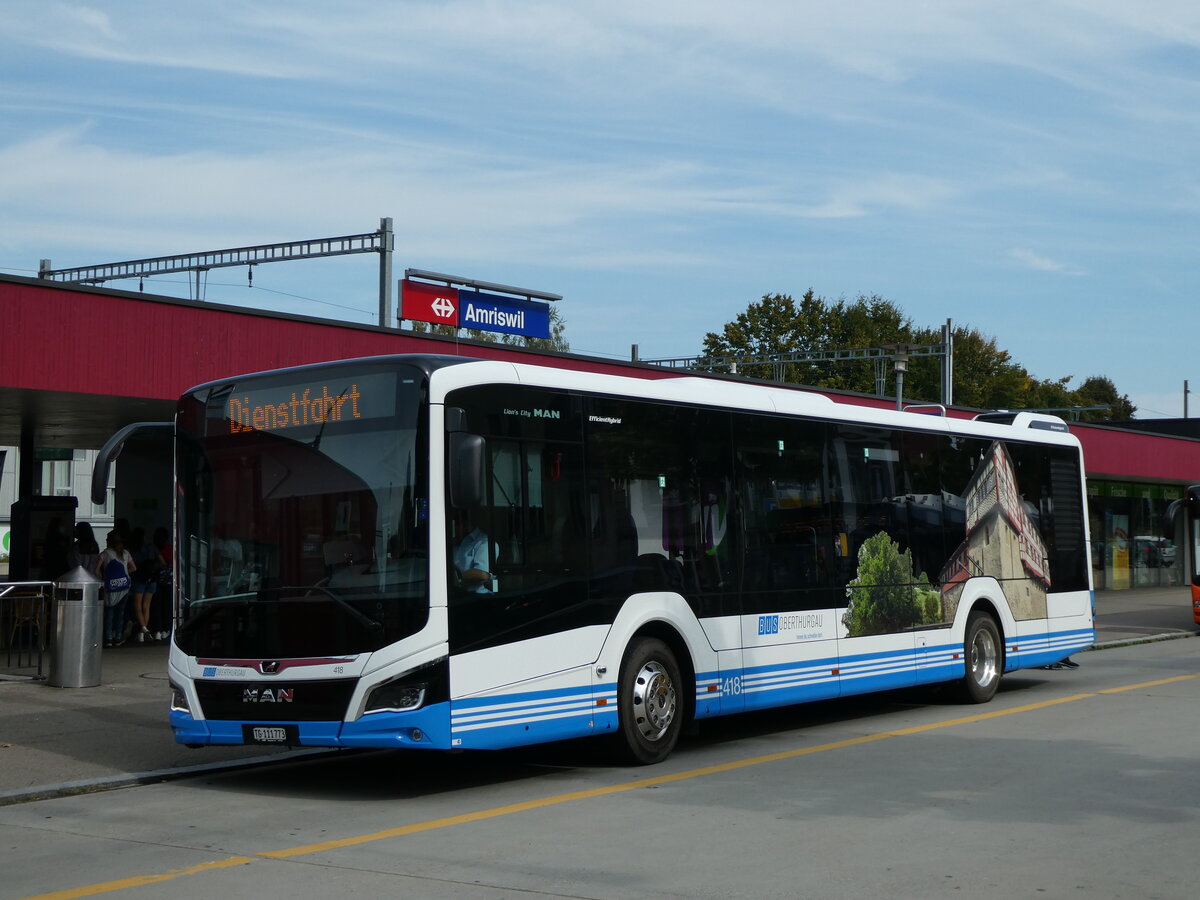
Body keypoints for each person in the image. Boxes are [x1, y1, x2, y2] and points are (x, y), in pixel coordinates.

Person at [95, 531, 135, 647]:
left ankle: (108, 638)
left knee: (109, 612)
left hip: (110, 587)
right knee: (120, 613)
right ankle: (118, 637)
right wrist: (124, 575)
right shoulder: (126, 553)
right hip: (124, 586)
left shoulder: (105, 554)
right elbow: (134, 568)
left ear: (109, 541)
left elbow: (96, 570)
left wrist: (103, 579)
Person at [128, 528, 160, 644]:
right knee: (147, 606)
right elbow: (162, 561)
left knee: (138, 606)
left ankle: (144, 630)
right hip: (151, 578)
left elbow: (131, 565)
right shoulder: (151, 547)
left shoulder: (133, 550)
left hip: (139, 578)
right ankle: (143, 632)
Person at [453, 513, 493, 593]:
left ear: (466, 523)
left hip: (477, 596)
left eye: (457, 524)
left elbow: (482, 575)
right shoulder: (454, 542)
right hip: (454, 593)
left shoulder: (484, 542)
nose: (455, 528)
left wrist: (454, 577)